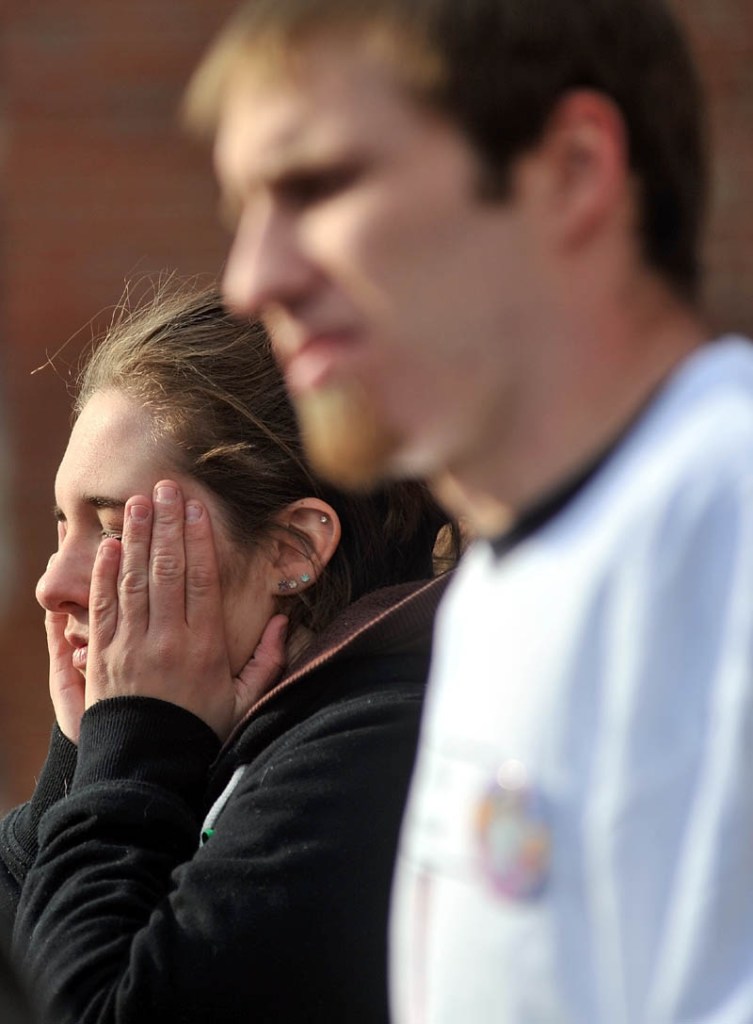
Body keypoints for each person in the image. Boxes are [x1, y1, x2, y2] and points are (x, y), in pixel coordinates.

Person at [184, 2, 753, 1021]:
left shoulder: (724, 521)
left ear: (573, 170)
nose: (250, 279)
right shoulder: (504, 582)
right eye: (242, 209)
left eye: (316, 185)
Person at [0, 285, 458, 1024]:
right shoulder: (201, 739)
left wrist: (132, 744)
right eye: (62, 526)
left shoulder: (373, 751)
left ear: (291, 550)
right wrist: (86, 756)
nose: (53, 584)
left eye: (115, 532)